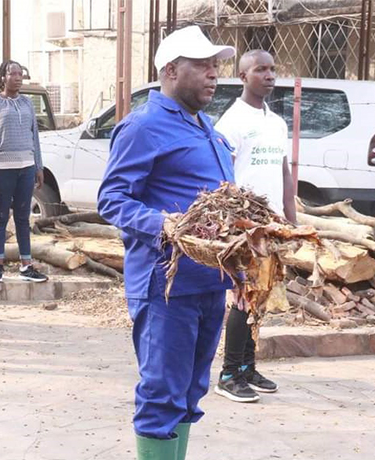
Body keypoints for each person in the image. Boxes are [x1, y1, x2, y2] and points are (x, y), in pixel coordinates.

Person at [97, 26, 235, 459]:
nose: (214, 74)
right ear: (171, 71)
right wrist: (165, 225)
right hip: (165, 286)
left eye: (216, 66)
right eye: (203, 66)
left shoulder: (206, 125)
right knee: (162, 392)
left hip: (211, 281)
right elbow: (112, 199)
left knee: (192, 391)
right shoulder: (142, 125)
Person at [213, 50, 296, 403]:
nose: (269, 75)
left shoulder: (276, 122)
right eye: (260, 69)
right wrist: (228, 227)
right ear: (243, 76)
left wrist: (291, 219)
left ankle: (247, 366)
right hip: (243, 225)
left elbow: (283, 172)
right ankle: (229, 373)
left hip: (271, 223)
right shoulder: (230, 122)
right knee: (243, 298)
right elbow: (220, 177)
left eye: (273, 69)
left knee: (259, 296)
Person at [0, 60, 48, 283]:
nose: (17, 77)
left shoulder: (27, 103)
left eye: (20, 74)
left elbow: (34, 135)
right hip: (1, 169)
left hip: (25, 168)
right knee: (0, 215)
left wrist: (38, 165)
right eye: (12, 74)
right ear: (3, 78)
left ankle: (26, 265)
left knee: (23, 217)